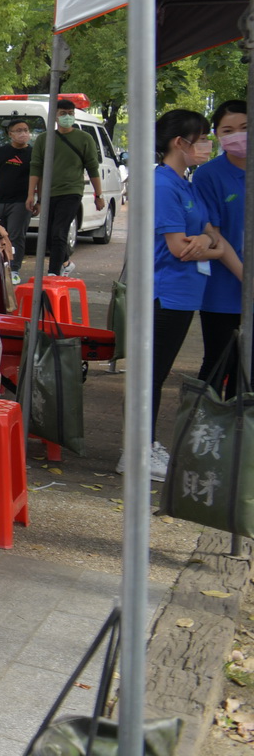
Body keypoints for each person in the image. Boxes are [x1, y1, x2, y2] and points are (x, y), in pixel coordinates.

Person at [145, 109, 241, 482]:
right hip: (167, 293)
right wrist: (209, 245)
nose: (207, 145)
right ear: (179, 143)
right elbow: (179, 248)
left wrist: (206, 242)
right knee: (152, 375)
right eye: (201, 138)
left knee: (159, 370)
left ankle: (146, 445)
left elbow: (207, 236)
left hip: (186, 294)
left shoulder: (184, 182)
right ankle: (138, 449)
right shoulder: (164, 185)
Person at [193, 101, 249, 393]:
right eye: (228, 130)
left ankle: (240, 434)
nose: (237, 135)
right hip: (223, 289)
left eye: (244, 128)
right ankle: (204, 432)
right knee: (219, 362)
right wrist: (246, 277)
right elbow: (214, 233)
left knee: (248, 371)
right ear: (217, 134)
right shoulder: (208, 175)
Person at [27, 98, 103, 278]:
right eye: (63, 114)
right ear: (54, 116)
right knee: (47, 235)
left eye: (70, 114)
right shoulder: (44, 139)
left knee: (59, 232)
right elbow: (36, 167)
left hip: (71, 192)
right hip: (48, 193)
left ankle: (53, 273)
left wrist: (98, 194)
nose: (67, 117)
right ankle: (66, 263)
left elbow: (92, 167)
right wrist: (32, 195)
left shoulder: (85, 138)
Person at [0, 117, 35, 282]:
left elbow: (39, 178)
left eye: (26, 130)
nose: (23, 133)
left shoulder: (33, 153)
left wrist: (36, 199)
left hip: (21, 202)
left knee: (16, 235)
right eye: (19, 130)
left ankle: (14, 270)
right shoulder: (0, 152)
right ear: (10, 134)